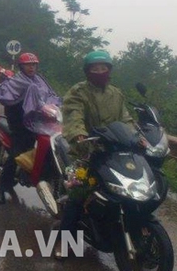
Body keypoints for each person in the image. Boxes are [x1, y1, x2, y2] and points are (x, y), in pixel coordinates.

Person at [57, 50, 136, 258]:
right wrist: (79, 134)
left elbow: (125, 119)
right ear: (88, 71)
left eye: (104, 68)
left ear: (109, 70)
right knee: (77, 194)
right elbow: (73, 115)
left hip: (113, 152)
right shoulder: (78, 92)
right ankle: (64, 244)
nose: (100, 72)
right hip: (86, 151)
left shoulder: (116, 94)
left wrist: (137, 136)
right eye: (95, 68)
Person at [0, 52, 61, 204]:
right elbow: (6, 97)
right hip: (19, 122)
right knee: (17, 154)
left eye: (34, 64)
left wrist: (52, 108)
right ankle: (1, 188)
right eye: (28, 65)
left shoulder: (39, 80)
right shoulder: (15, 81)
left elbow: (49, 96)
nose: (31, 67)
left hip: (39, 121)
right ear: (21, 66)